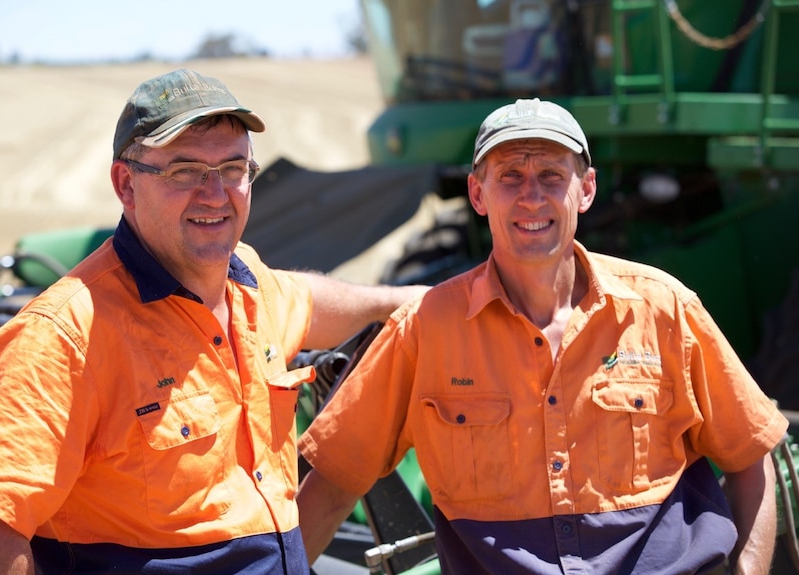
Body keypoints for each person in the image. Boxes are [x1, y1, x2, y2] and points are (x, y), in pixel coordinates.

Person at [0, 68, 426, 575]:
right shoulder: (64, 338)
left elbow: (310, 299)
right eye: (184, 171)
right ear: (126, 185)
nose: (215, 194)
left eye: (233, 169)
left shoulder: (248, 285)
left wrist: (409, 299)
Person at [297, 98, 789, 574]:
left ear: (587, 189)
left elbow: (750, 457)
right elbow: (335, 486)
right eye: (510, 176)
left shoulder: (664, 309)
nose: (531, 195)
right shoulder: (424, 331)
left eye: (552, 175)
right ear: (477, 194)